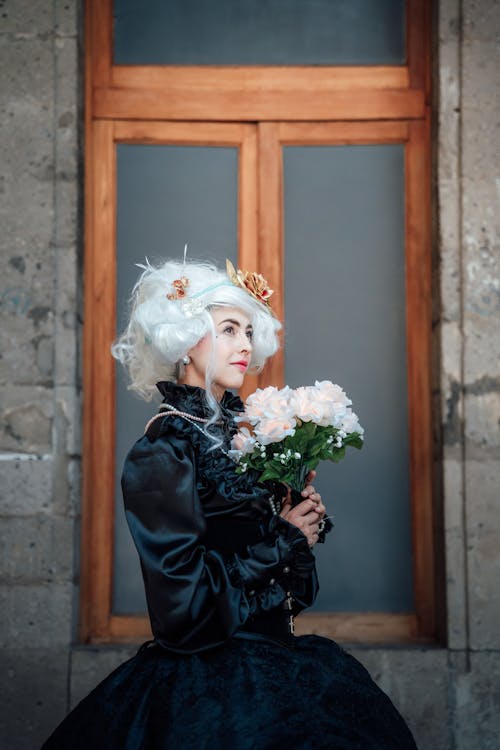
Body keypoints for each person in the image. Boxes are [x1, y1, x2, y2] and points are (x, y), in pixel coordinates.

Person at [42, 258, 418, 749]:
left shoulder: (246, 435)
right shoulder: (164, 448)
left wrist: (298, 526)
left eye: (248, 331)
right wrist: (281, 540)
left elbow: (293, 598)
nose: (245, 344)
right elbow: (182, 613)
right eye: (228, 329)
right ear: (185, 340)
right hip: (205, 686)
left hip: (280, 660)